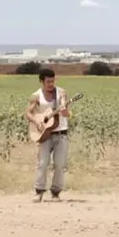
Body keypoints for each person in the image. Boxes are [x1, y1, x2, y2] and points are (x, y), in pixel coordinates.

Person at [24, 67, 72, 202]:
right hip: (45, 134)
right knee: (43, 163)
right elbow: (28, 113)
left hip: (61, 133)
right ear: (42, 81)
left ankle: (56, 192)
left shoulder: (61, 93)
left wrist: (64, 111)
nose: (51, 84)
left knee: (60, 164)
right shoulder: (36, 95)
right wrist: (36, 121)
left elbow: (66, 112)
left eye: (53, 81)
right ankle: (39, 191)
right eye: (48, 82)